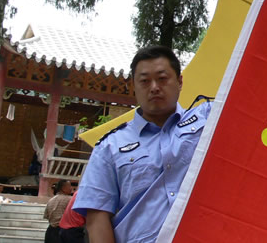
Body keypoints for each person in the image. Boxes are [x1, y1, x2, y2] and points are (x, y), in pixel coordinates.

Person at [74, 45, 212, 243]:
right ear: (134, 87)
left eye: (162, 78)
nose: (154, 87)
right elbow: (97, 218)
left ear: (180, 81)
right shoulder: (109, 147)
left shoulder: (209, 118)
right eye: (145, 81)